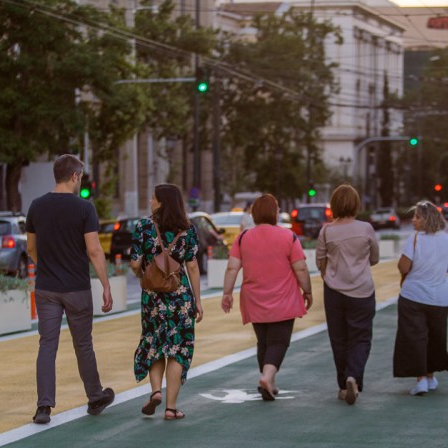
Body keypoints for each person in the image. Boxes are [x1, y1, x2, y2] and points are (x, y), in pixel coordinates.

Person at [26, 154, 115, 424]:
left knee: (47, 345)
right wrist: (106, 285)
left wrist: (48, 265)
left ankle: (43, 407)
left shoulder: (36, 206)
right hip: (76, 287)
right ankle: (95, 396)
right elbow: (94, 250)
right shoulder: (84, 208)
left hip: (46, 288)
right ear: (75, 176)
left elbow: (31, 248)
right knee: (83, 344)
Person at [220, 194, 313, 400]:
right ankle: (267, 377)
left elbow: (232, 267)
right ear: (274, 213)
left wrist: (227, 293)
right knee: (279, 341)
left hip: (254, 298)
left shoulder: (243, 237)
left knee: (263, 342)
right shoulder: (289, 237)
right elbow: (301, 268)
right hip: (284, 299)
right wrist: (307, 290)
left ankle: (268, 380)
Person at [129, 183, 204, 421]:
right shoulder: (187, 229)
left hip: (152, 298)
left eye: (153, 198)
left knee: (154, 343)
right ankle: (171, 408)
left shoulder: (143, 226)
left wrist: (144, 276)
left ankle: (155, 392)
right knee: (177, 350)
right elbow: (192, 266)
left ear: (162, 202)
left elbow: (133, 263)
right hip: (179, 297)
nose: (150, 202)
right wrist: (197, 301)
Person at [315, 184, 379, 405]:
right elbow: (375, 259)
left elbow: (319, 262)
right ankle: (354, 376)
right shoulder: (366, 229)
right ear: (355, 204)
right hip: (362, 290)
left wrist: (330, 276)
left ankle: (343, 386)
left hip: (334, 291)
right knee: (361, 337)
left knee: (339, 339)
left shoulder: (326, 231)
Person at [393, 200, 448, 396]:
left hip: (414, 296)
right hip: (441, 298)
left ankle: (420, 380)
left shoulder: (415, 239)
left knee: (415, 337)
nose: (413, 220)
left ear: (427, 219)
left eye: (417, 216)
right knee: (435, 338)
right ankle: (430, 376)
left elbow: (404, 267)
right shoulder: (447, 239)